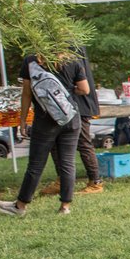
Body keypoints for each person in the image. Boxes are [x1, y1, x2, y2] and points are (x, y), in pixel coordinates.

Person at [0, 52, 86, 217]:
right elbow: (84, 89)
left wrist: (22, 121)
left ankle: (20, 206)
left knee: (36, 165)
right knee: (68, 164)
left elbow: (27, 93)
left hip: (45, 121)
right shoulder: (73, 59)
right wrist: (67, 90)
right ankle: (65, 207)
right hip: (70, 118)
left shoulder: (31, 61)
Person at [39, 45, 104, 196]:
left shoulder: (72, 46)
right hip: (62, 105)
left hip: (79, 103)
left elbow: (82, 83)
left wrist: (68, 91)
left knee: (83, 143)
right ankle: (62, 181)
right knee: (55, 144)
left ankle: (95, 182)